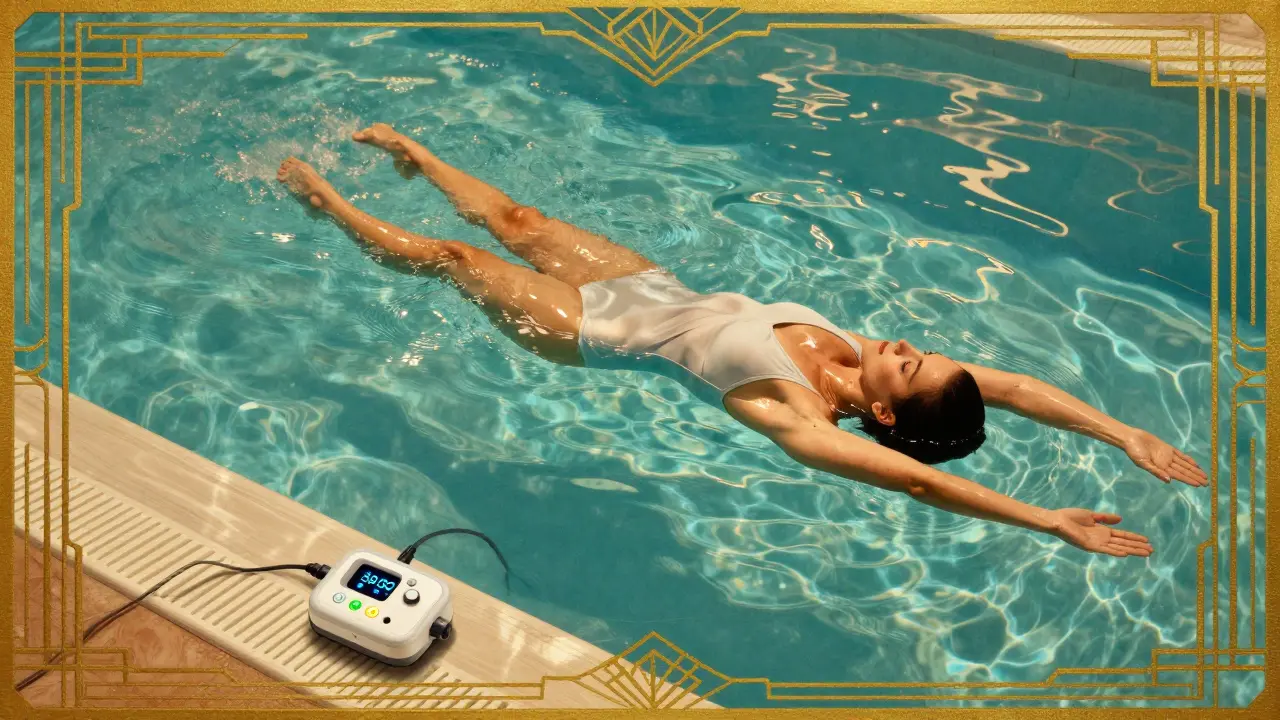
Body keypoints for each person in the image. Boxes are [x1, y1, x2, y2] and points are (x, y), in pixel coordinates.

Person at [276, 123, 1206, 559]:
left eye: (911, 363)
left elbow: (923, 478)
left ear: (883, 408)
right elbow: (1017, 386)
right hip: (650, 286)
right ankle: (421, 159)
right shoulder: (870, 360)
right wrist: (1119, 432)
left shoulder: (798, 419)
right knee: (517, 219)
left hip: (591, 330)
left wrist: (1046, 519)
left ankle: (328, 204)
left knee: (450, 255)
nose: (908, 342)